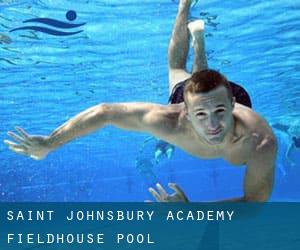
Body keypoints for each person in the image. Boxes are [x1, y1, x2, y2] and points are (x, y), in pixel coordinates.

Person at [4, 0, 277, 202]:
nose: (214, 124)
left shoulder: (260, 140)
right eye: (201, 115)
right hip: (202, 96)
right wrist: (50, 142)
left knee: (185, 74)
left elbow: (254, 204)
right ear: (184, 110)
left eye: (220, 111)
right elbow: (105, 112)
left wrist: (193, 211)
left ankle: (199, 43)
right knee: (178, 71)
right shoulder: (170, 120)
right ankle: (185, 6)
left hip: (224, 99)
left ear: (232, 105)